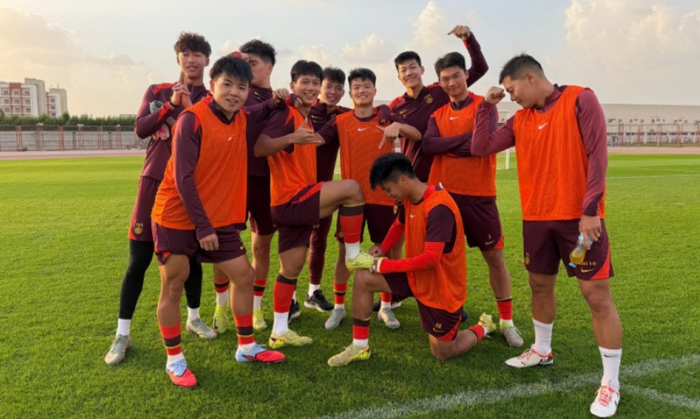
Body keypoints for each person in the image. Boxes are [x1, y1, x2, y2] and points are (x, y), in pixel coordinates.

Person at [471, 54, 622, 418]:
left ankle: (611, 382)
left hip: (579, 222)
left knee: (596, 296)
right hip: (537, 220)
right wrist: (485, 108)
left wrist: (590, 210)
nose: (511, 97)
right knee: (539, 286)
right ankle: (542, 350)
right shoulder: (520, 119)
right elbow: (480, 148)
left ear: (529, 77)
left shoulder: (580, 98)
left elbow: (597, 155)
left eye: (512, 90)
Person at [151, 56, 287, 387]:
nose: (234, 93)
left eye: (242, 87)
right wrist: (202, 227)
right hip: (176, 216)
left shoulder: (241, 116)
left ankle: (246, 347)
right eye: (227, 84)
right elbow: (183, 178)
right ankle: (175, 360)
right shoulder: (191, 120)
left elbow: (259, 109)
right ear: (212, 85)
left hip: (217, 218)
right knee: (174, 284)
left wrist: (280, 99)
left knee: (245, 275)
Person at [104, 32, 215, 366]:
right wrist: (170, 105)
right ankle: (122, 334)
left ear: (207, 61)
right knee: (138, 261)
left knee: (190, 257)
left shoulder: (211, 99)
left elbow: (207, 139)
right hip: (153, 182)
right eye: (186, 53)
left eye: (198, 54)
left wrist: (188, 107)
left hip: (189, 187)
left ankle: (193, 317)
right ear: (177, 58)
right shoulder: (157, 91)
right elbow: (140, 128)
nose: (192, 59)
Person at [327, 153, 495, 366]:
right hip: (415, 276)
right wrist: (383, 248)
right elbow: (399, 224)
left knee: (443, 352)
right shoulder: (409, 199)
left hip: (440, 287)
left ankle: (483, 327)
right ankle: (360, 346)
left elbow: (431, 259)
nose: (389, 195)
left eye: (388, 189)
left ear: (403, 180)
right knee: (363, 279)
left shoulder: (439, 208)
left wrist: (384, 264)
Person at [254, 60, 376, 349]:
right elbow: (260, 147)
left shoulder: (305, 116)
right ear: (293, 85)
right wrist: (292, 137)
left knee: (290, 269)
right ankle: (353, 253)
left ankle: (279, 330)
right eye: (305, 82)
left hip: (290, 202)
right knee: (352, 189)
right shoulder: (286, 113)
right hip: (291, 197)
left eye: (314, 83)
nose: (310, 88)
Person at [386, 24, 488, 319]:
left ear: (421, 70)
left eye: (413, 67)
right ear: (398, 76)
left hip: (442, 181)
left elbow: (478, 68)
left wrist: (468, 39)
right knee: (404, 238)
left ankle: (450, 301)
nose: (409, 73)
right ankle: (392, 298)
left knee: (443, 247)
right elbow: (379, 117)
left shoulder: (440, 91)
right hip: (411, 181)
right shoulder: (395, 106)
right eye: (403, 70)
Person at [422, 52, 523, 348]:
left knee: (495, 259)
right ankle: (450, 313)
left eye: (456, 75)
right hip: (445, 199)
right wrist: (464, 141)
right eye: (445, 79)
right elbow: (429, 145)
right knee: (442, 260)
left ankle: (507, 322)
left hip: (479, 196)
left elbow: (483, 145)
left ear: (466, 74)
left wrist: (450, 146)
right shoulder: (437, 115)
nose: (451, 82)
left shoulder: (484, 106)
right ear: (439, 82)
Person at [315, 68, 421, 330]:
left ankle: (386, 306)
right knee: (344, 254)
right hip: (351, 202)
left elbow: (417, 135)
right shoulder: (340, 121)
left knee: (384, 252)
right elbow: (315, 140)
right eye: (356, 87)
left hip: (383, 199)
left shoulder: (387, 118)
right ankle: (339, 307)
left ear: (374, 90)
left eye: (366, 86)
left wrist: (398, 125)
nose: (361, 91)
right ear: (350, 92)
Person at [211, 39, 279, 334]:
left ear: (269, 67)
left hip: (266, 182)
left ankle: (256, 307)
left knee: (261, 247)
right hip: (233, 180)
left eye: (252, 63)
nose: (246, 69)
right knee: (225, 245)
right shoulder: (236, 94)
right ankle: (220, 305)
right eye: (243, 62)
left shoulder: (280, 99)